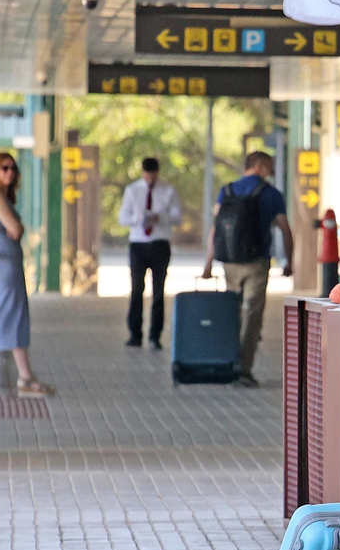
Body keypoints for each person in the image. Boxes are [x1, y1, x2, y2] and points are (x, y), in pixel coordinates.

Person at [201, 151, 294, 388]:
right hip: (257, 262)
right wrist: (289, 260)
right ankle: (243, 369)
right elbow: (284, 229)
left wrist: (209, 262)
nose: (272, 171)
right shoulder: (271, 193)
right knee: (252, 314)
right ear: (259, 166)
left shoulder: (227, 190)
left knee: (233, 312)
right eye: (270, 166)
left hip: (229, 262)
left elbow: (217, 229)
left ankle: (227, 363)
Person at [0, 152, 54, 397]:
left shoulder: (2, 196)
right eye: (4, 168)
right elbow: (15, 228)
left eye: (13, 168)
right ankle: (24, 376)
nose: (9, 173)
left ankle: (25, 374)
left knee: (18, 314)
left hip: (10, 262)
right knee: (11, 314)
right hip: (3, 265)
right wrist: (16, 229)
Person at [118, 157, 182, 349]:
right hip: (138, 243)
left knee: (158, 291)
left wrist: (160, 217)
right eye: (147, 175)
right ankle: (135, 333)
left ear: (158, 172)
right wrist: (139, 218)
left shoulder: (168, 191)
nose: (150, 179)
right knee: (137, 289)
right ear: (142, 172)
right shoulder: (132, 190)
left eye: (153, 175)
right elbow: (122, 218)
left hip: (160, 243)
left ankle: (155, 335)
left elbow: (177, 218)